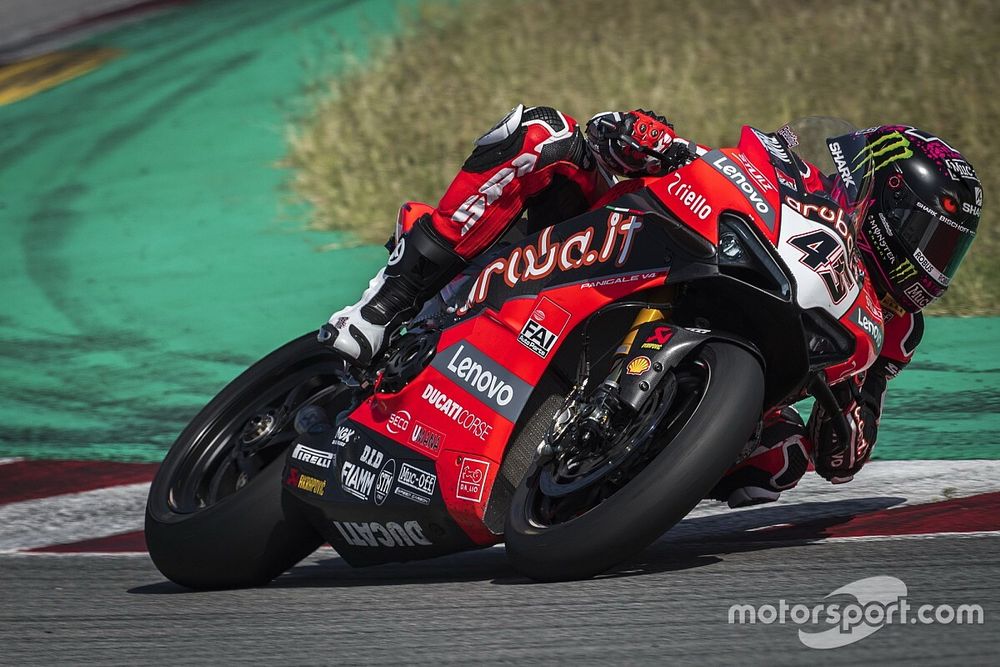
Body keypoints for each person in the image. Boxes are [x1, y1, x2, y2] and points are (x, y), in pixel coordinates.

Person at [317, 105, 983, 508]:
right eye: (932, 236)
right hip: (629, 249)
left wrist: (848, 428)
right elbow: (728, 171)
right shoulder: (807, 183)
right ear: (883, 201)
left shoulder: (894, 328)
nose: (933, 262)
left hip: (737, 359)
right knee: (541, 131)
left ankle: (633, 469)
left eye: (948, 251)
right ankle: (386, 301)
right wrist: (650, 141)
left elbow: (847, 451)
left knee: (781, 456)